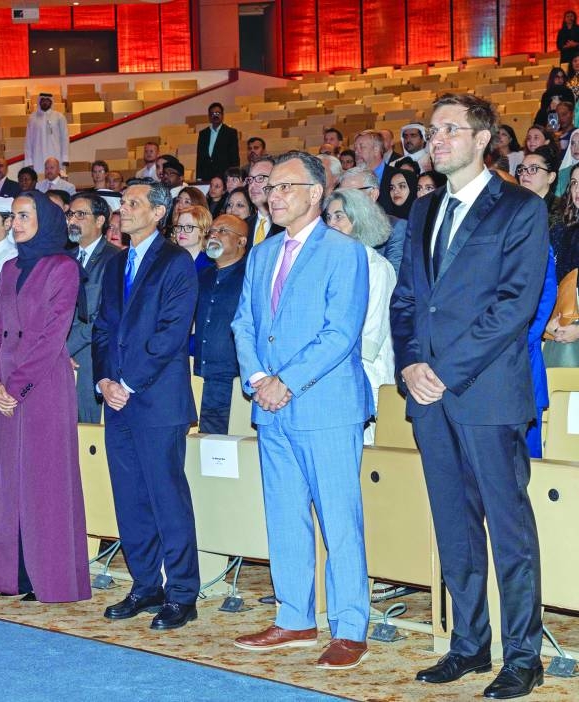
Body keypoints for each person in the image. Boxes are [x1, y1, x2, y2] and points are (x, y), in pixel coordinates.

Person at [390, 94, 547, 699]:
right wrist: (410, 365)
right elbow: (407, 300)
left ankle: (523, 655)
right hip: (428, 395)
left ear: (485, 139)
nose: (438, 138)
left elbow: (514, 306)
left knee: (508, 530)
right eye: (433, 130)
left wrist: (442, 370)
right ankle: (468, 644)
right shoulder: (425, 209)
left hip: (484, 394)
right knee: (453, 527)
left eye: (451, 129)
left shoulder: (520, 208)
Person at [230, 152, 371, 669]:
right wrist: (258, 379)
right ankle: (294, 617)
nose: (274, 194)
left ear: (316, 193)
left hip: (325, 405)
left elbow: (340, 332)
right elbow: (244, 323)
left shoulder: (343, 252)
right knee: (285, 515)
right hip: (271, 406)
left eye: (286, 185)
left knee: (338, 519)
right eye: (271, 186)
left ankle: (350, 625)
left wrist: (285, 381)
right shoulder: (263, 254)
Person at [92, 179, 200, 630]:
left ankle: (181, 593)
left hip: (156, 401)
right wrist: (103, 379)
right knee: (130, 499)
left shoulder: (176, 262)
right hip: (117, 401)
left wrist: (127, 382)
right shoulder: (117, 264)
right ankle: (144, 585)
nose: (125, 209)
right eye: (123, 203)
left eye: (135, 203)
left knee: (166, 497)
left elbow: (171, 334)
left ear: (160, 213)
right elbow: (101, 326)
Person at [0, 191, 90, 604]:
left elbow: (52, 336)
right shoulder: (9, 269)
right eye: (13, 216)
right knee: (12, 480)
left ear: (44, 219)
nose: (17, 222)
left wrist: (16, 385)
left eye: (24, 215)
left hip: (43, 386)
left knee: (45, 480)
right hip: (8, 387)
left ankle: (52, 576)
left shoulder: (63, 267)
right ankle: (17, 573)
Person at [324, 190, 396, 444]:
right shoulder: (327, 267)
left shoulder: (377, 268)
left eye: (339, 216)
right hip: (330, 379)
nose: (331, 223)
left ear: (359, 220)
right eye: (329, 217)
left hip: (365, 379)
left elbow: (370, 339)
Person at [65, 192, 120, 424]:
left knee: (88, 432)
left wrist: (65, 347)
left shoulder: (115, 258)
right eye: (70, 214)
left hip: (91, 358)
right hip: (61, 356)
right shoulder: (64, 257)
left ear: (100, 221)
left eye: (80, 214)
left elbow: (103, 317)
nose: (72, 220)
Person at [193, 214, 248, 434]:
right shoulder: (202, 275)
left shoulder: (251, 276)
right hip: (199, 378)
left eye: (223, 231)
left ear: (242, 241)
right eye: (211, 232)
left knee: (227, 455)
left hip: (233, 383)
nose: (214, 235)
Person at [545, 167, 579, 369]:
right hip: (560, 327)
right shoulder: (559, 232)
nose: (577, 189)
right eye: (574, 183)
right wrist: (546, 321)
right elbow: (546, 282)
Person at [195, 102, 240, 181]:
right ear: (209, 117)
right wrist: (198, 177)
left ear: (222, 115)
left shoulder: (230, 132)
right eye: (212, 113)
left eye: (218, 113)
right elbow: (200, 157)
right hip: (206, 177)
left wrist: (234, 177)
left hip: (224, 176)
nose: (215, 115)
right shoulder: (203, 134)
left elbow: (234, 157)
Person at [24, 93, 69, 170]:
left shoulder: (59, 117)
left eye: (47, 100)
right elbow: (28, 141)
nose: (45, 102)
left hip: (55, 154)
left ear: (51, 102)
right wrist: (29, 161)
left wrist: (65, 157)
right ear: (39, 102)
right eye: (43, 100)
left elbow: (64, 138)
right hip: (38, 157)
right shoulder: (32, 118)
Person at [174, 204, 213, 273]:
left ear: (203, 230)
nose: (182, 231)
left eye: (189, 227)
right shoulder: (170, 257)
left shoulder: (210, 265)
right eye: (179, 226)